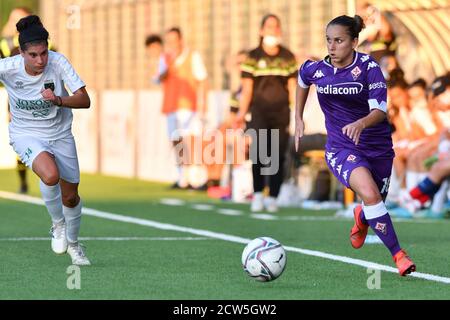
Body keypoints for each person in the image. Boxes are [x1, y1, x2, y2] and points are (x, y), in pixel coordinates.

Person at [295, 15, 415, 276]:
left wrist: (361, 124)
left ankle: (361, 216)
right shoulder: (317, 70)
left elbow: (380, 112)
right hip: (341, 148)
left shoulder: (370, 68)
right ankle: (399, 256)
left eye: (339, 40)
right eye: (329, 40)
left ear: (354, 42)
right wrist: (298, 117)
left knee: (374, 205)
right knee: (371, 195)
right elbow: (302, 78)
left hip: (378, 148)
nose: (332, 46)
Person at [0, 15, 91, 265]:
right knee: (50, 175)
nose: (40, 60)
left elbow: (85, 100)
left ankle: (74, 245)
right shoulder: (7, 68)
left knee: (71, 197)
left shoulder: (59, 63)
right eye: (33, 55)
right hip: (25, 133)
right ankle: (57, 224)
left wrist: (59, 100)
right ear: (21, 53)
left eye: (44, 53)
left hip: (60, 134)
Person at [235, 14, 298, 213]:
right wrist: (241, 114)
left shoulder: (287, 57)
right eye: (268, 27)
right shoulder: (253, 57)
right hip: (259, 112)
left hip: (280, 113)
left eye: (276, 27)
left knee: (277, 155)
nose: (272, 30)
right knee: (259, 153)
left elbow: (293, 87)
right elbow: (247, 90)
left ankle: (273, 197)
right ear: (261, 31)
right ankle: (258, 194)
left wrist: (297, 113)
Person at [159, 27, 208, 189]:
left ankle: (195, 178)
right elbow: (159, 77)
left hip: (189, 106)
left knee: (191, 141)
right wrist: (169, 65)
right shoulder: (165, 58)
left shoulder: (192, 56)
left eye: (174, 40)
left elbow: (203, 79)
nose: (171, 44)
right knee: (176, 140)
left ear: (180, 40)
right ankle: (182, 177)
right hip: (170, 105)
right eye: (169, 41)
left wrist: (203, 104)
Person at [1, 7, 33, 194]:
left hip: (41, 97)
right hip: (16, 99)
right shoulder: (5, 44)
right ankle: (23, 181)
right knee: (21, 138)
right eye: (13, 18)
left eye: (20, 18)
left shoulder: (43, 41)